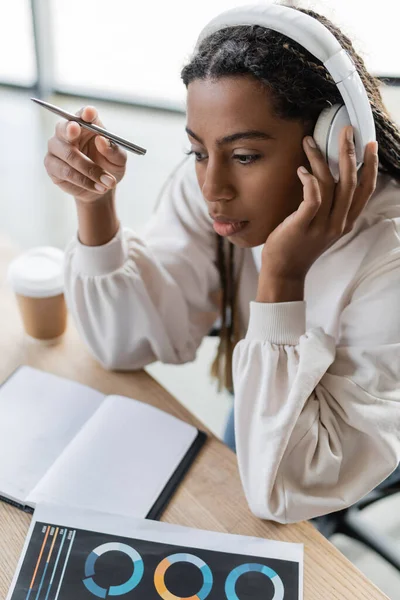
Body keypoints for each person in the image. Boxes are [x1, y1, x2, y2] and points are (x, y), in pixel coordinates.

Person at [43, 2, 400, 527]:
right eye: (198, 152)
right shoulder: (214, 193)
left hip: (363, 434)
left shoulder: (388, 256)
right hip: (279, 402)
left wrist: (281, 275)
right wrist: (94, 204)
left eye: (245, 156)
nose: (213, 190)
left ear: (332, 142)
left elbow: (283, 492)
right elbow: (125, 345)